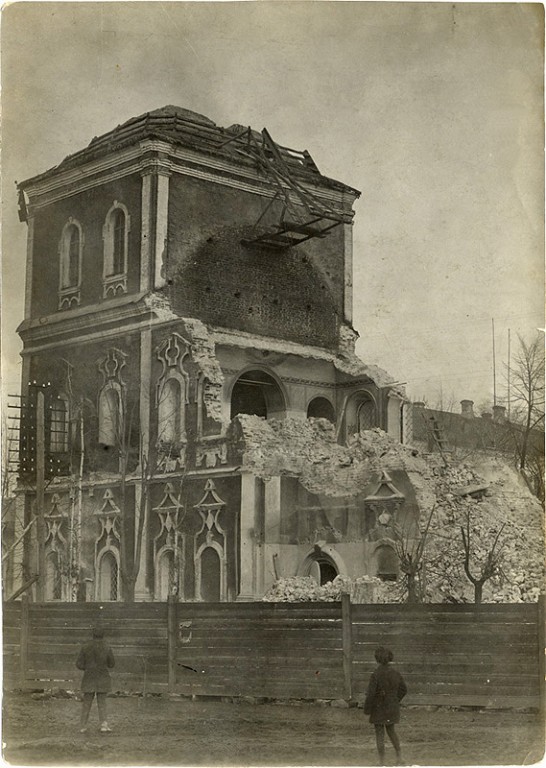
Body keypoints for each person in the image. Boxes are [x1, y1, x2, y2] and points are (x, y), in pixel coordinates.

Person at [363, 646, 407, 766]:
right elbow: (404, 689)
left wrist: (367, 709)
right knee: (391, 731)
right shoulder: (396, 673)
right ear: (390, 658)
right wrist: (394, 700)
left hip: (378, 708)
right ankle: (399, 758)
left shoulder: (375, 675)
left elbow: (371, 694)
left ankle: (381, 762)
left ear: (377, 659)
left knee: (379, 733)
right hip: (392, 707)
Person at [76, 626, 115, 733]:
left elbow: (79, 664)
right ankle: (103, 725)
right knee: (102, 702)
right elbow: (112, 664)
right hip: (102, 677)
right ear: (103, 635)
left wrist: (88, 668)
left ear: (93, 634)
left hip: (89, 677)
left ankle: (82, 726)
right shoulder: (107, 647)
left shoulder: (85, 646)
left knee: (86, 703)